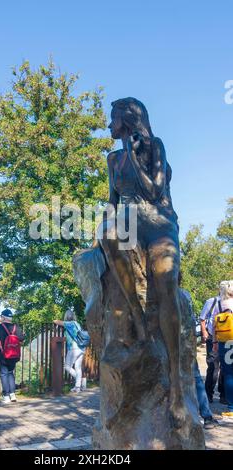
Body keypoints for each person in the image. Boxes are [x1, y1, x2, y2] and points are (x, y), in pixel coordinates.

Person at [97, 98, 184, 422]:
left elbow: (155, 190)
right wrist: (103, 224)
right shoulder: (112, 159)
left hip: (159, 224)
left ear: (128, 120)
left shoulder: (153, 148)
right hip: (130, 222)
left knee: (165, 282)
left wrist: (135, 155)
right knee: (108, 234)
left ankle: (175, 384)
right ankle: (137, 317)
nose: (108, 125)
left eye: (113, 118)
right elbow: (112, 201)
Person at [179, 276, 219, 429]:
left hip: (169, 344)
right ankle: (206, 416)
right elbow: (190, 321)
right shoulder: (185, 295)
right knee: (196, 379)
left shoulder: (158, 297)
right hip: (184, 344)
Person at [200, 282, 228, 403]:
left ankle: (223, 395)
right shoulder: (211, 301)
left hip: (227, 339)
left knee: (226, 367)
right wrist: (204, 332)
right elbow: (202, 318)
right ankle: (208, 394)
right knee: (213, 366)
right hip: (212, 337)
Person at [0, 309, 24, 404]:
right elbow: (21, 340)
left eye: (1, 317)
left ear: (3, 317)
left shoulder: (0, 327)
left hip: (2, 354)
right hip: (14, 354)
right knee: (10, 373)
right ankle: (13, 394)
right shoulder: (16, 327)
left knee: (4, 373)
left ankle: (6, 396)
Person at [212, 284, 233, 417]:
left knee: (229, 374)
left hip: (224, 343)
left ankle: (231, 407)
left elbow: (213, 326)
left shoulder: (219, 304)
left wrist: (214, 342)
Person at [54, 310, 86, 393]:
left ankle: (80, 382)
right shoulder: (77, 324)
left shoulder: (69, 324)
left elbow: (57, 322)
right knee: (77, 368)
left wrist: (54, 320)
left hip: (74, 348)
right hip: (82, 348)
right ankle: (78, 387)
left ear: (66, 316)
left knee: (67, 367)